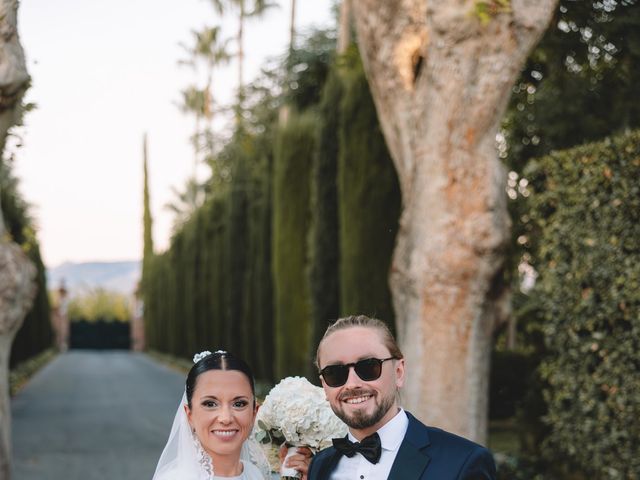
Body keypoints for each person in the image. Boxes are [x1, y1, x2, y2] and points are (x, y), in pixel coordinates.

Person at [307, 315, 497, 480]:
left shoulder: (463, 461)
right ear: (325, 385)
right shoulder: (319, 466)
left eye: (368, 367)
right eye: (335, 373)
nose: (352, 383)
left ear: (399, 372)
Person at [153, 350, 310, 480]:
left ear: (254, 413)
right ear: (189, 415)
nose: (226, 418)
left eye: (239, 404)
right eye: (210, 404)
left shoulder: (254, 475)